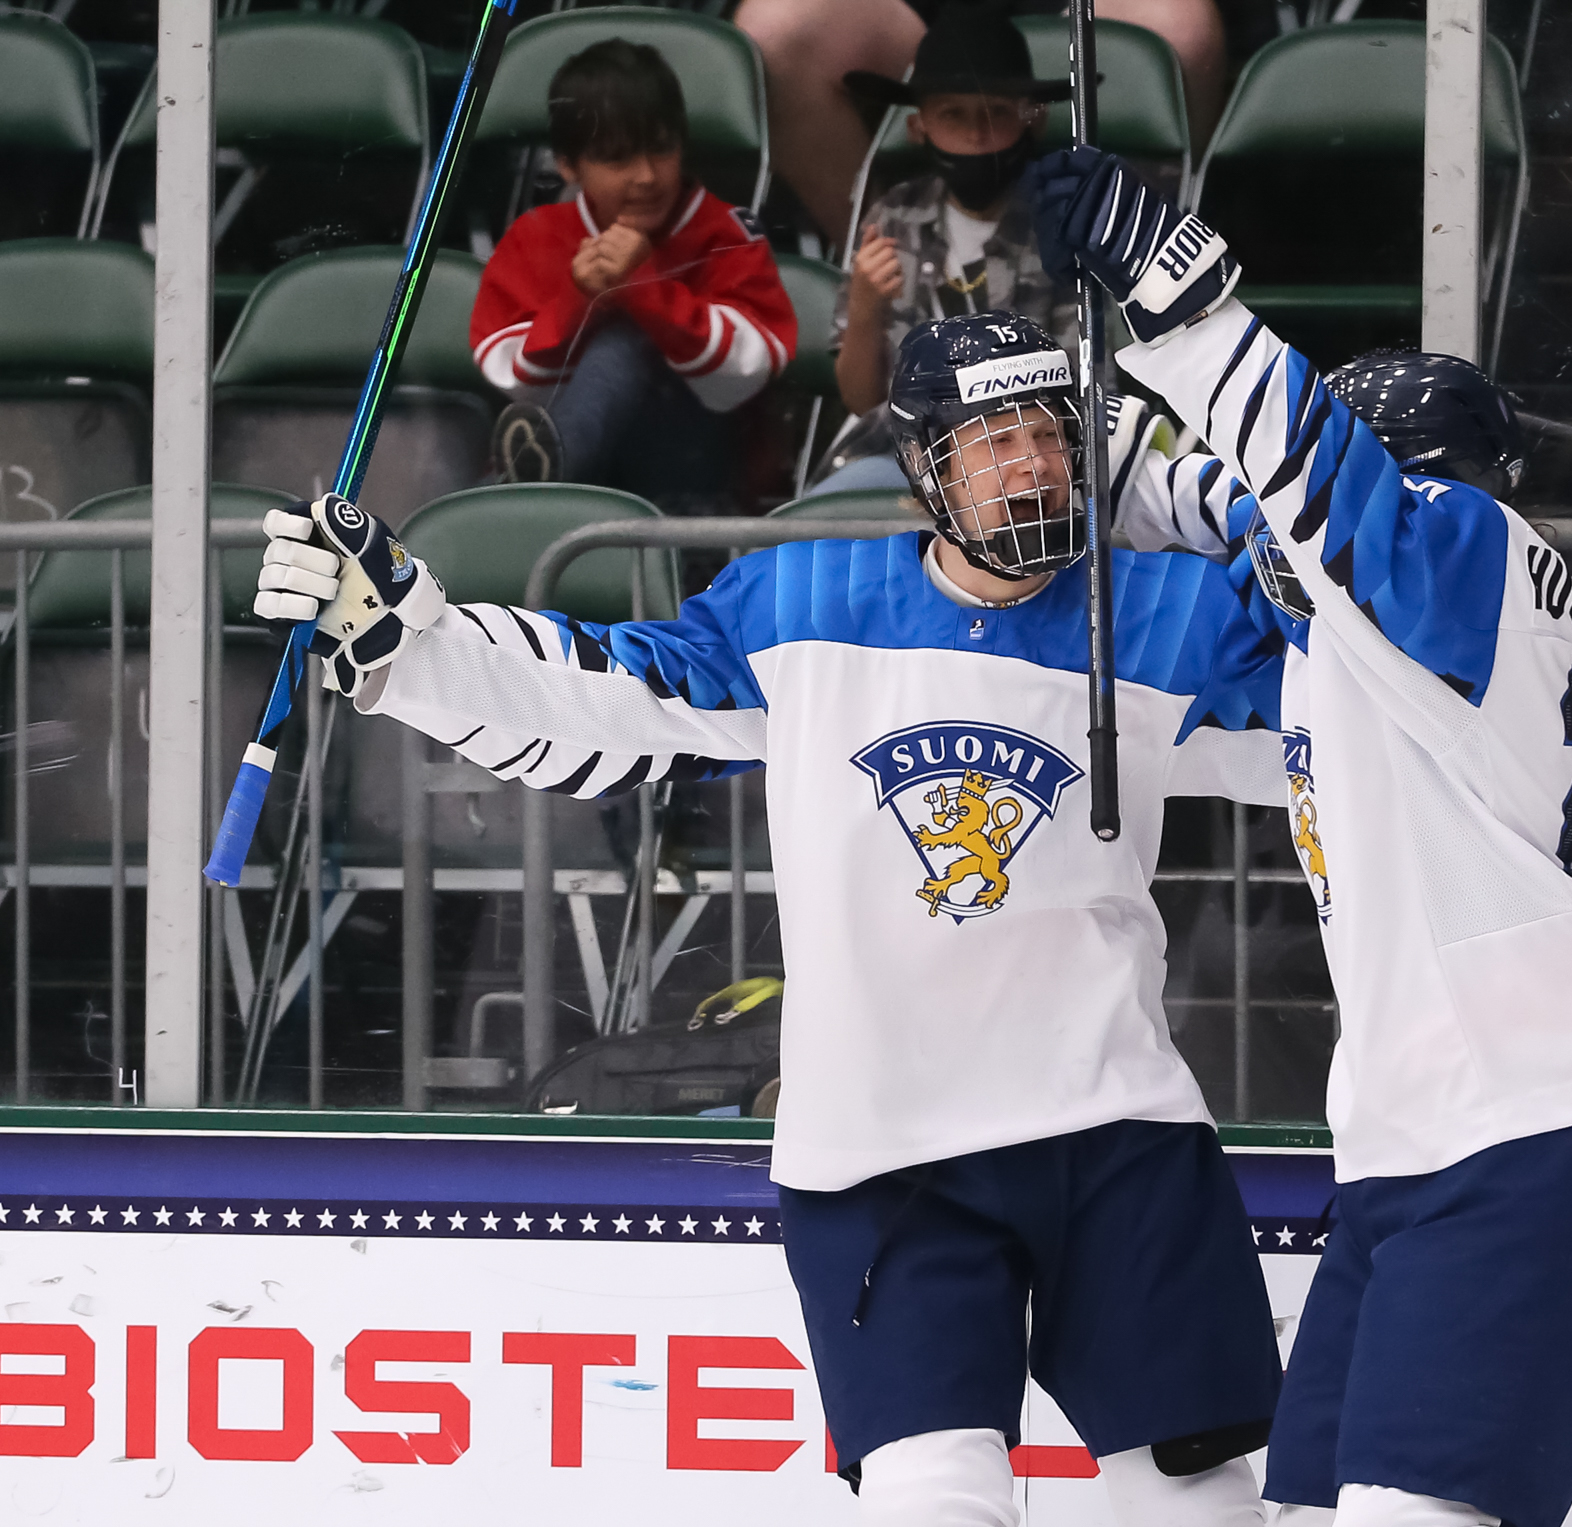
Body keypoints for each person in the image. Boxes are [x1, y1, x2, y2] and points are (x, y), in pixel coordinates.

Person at [252, 313, 1292, 1527]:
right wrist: (412, 642)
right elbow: (612, 695)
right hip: (882, 1152)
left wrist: (1195, 495)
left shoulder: (1167, 614)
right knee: (931, 1500)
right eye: (992, 440)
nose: (1030, 466)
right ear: (924, 464)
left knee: (1192, 1498)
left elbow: (1379, 696)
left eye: (1052, 437)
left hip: (1113, 1128)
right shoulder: (804, 600)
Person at [1026, 147, 1572, 1527]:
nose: (1291, 522)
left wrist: (1179, 305)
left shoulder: (1456, 538)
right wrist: (1094, 435)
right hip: (1418, 1135)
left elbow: (1320, 494)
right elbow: (1255, 519)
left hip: (1536, 1119)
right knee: (1314, 1513)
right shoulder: (1383, 639)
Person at [471, 39, 798, 506]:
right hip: (588, 467)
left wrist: (644, 288)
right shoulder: (535, 235)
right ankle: (534, 484)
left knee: (629, 340)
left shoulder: (728, 233)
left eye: (661, 150)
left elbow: (742, 377)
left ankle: (521, 494)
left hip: (702, 478)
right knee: (613, 341)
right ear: (567, 165)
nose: (646, 176)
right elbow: (517, 384)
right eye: (617, 158)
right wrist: (577, 299)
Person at [812, 1, 1078, 494]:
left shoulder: (1063, 229)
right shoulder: (895, 217)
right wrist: (865, 308)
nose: (976, 134)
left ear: (1033, 121)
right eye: (953, 114)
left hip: (1021, 462)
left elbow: (1078, 397)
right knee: (827, 511)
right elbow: (860, 401)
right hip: (900, 457)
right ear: (919, 128)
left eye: (996, 113)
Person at [735, 0, 1231, 250]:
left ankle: (1130, 292)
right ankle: (896, 276)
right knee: (779, 31)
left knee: (1180, 32)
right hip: (918, 18)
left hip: (1079, 10)